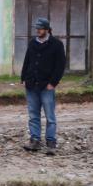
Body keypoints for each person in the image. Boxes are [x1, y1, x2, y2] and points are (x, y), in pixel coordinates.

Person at [20, 17, 66, 155]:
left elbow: (60, 65)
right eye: (37, 28)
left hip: (46, 86)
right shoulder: (32, 43)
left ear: (47, 29)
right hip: (31, 84)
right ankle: (35, 140)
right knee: (33, 115)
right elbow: (27, 60)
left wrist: (53, 83)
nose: (38, 31)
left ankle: (51, 141)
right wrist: (23, 77)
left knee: (50, 116)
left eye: (40, 28)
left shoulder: (56, 44)